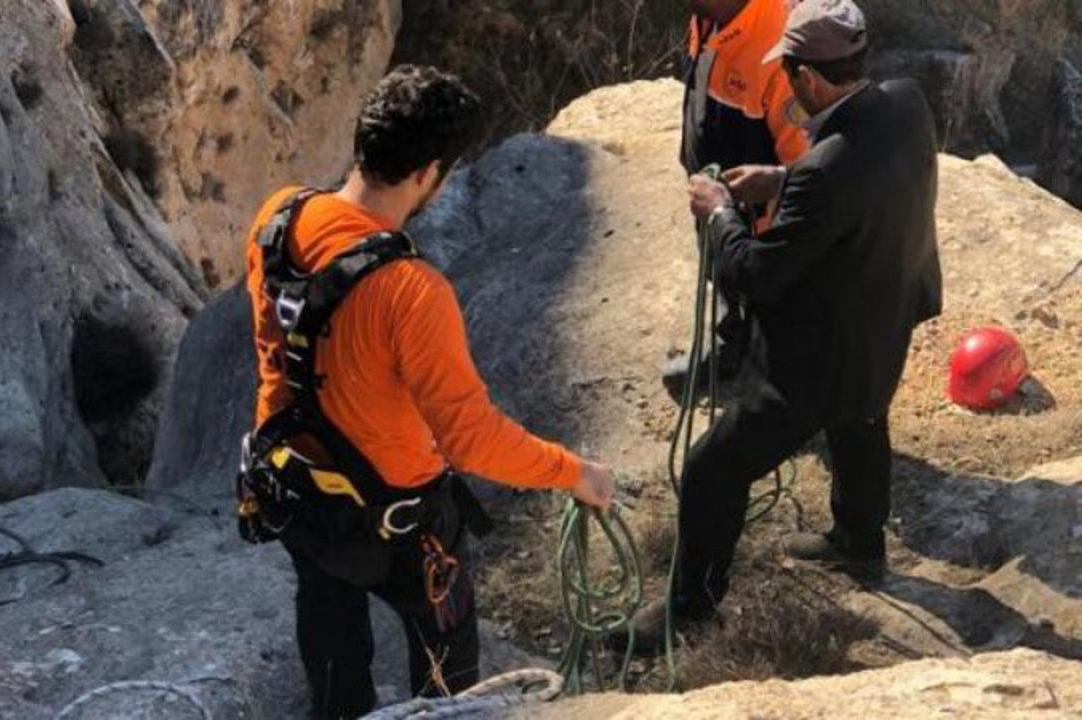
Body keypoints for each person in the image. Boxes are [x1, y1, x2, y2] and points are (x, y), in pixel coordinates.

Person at [241, 65, 615, 718]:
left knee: (330, 634)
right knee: (445, 679)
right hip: (397, 519)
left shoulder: (277, 218)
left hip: (295, 486)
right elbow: (470, 440)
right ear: (429, 176)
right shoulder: (411, 291)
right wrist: (572, 471)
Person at [625, 0, 943, 653]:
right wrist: (780, 178)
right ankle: (859, 540)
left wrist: (720, 214)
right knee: (863, 414)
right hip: (887, 314)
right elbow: (858, 181)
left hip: (818, 352)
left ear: (808, 80)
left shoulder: (823, 175)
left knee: (713, 465)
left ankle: (690, 611)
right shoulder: (907, 103)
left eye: (790, 72)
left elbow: (757, 274)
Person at [664, 0, 812, 402]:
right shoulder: (712, 15)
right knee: (723, 271)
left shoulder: (782, 45)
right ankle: (734, 347)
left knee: (773, 299)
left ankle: (777, 385)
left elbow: (810, 168)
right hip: (718, 188)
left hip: (762, 219)